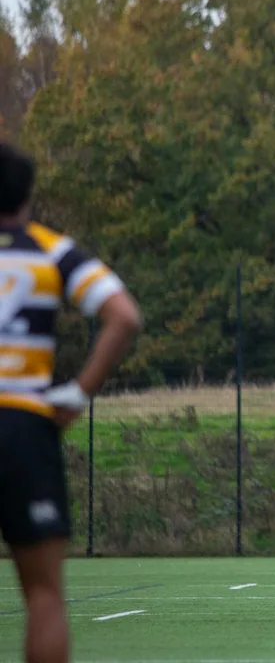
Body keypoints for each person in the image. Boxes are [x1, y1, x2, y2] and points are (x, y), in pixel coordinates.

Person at [0, 142, 143, 663]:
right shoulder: (52, 250)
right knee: (42, 594)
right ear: (27, 195)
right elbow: (124, 315)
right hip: (23, 427)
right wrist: (79, 392)